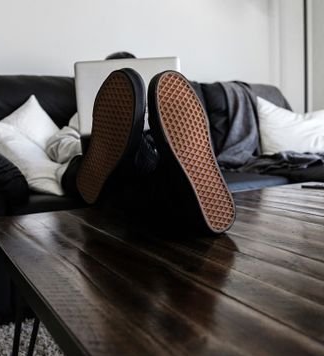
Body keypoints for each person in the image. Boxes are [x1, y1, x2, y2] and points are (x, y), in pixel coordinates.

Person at [66, 68, 236, 234]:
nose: (124, 96)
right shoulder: (81, 114)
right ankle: (137, 155)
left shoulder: (157, 107)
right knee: (83, 164)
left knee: (145, 166)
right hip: (112, 157)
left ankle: (141, 152)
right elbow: (61, 142)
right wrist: (93, 143)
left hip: (149, 155)